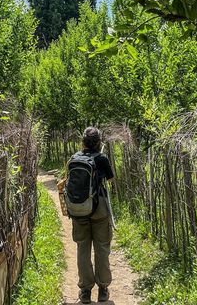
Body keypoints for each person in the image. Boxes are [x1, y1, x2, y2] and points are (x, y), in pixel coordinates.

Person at [70, 127, 114, 304]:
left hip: (79, 210)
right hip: (99, 209)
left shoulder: (74, 158)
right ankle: (103, 289)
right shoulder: (102, 158)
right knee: (102, 248)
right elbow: (111, 179)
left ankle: (85, 291)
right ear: (99, 142)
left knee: (83, 248)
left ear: (83, 142)